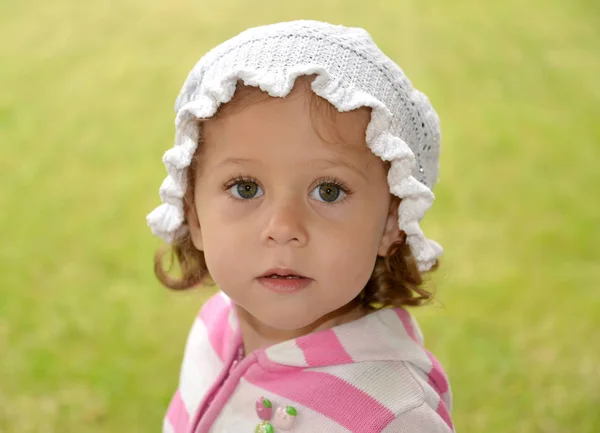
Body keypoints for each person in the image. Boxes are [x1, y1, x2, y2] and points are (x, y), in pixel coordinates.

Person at [147, 20, 453, 433]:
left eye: (328, 191)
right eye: (245, 187)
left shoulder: (392, 415)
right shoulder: (216, 323)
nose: (283, 227)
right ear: (195, 215)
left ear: (391, 222)